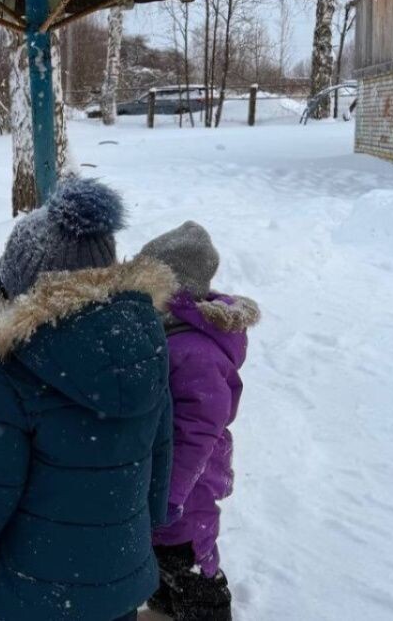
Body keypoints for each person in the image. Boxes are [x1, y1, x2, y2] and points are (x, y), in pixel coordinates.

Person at [0, 177, 176, 621]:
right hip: (120, 573)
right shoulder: (144, 345)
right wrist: (147, 522)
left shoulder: (13, 369)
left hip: (42, 586)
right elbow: (159, 446)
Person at [137, 222, 260, 621]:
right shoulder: (169, 329)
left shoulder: (193, 351)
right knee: (162, 555)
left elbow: (197, 433)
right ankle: (166, 607)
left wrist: (172, 494)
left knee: (188, 555)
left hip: (189, 482)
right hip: (168, 478)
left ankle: (208, 608)